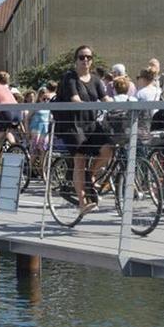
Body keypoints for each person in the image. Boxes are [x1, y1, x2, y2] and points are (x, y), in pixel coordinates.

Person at [56, 47, 116, 209]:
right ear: (76, 60)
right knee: (80, 159)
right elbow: (75, 99)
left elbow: (105, 99)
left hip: (90, 124)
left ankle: (89, 175)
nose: (85, 60)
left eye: (88, 57)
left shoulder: (96, 80)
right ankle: (83, 203)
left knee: (108, 149)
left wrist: (120, 107)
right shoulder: (70, 78)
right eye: (82, 57)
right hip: (73, 125)